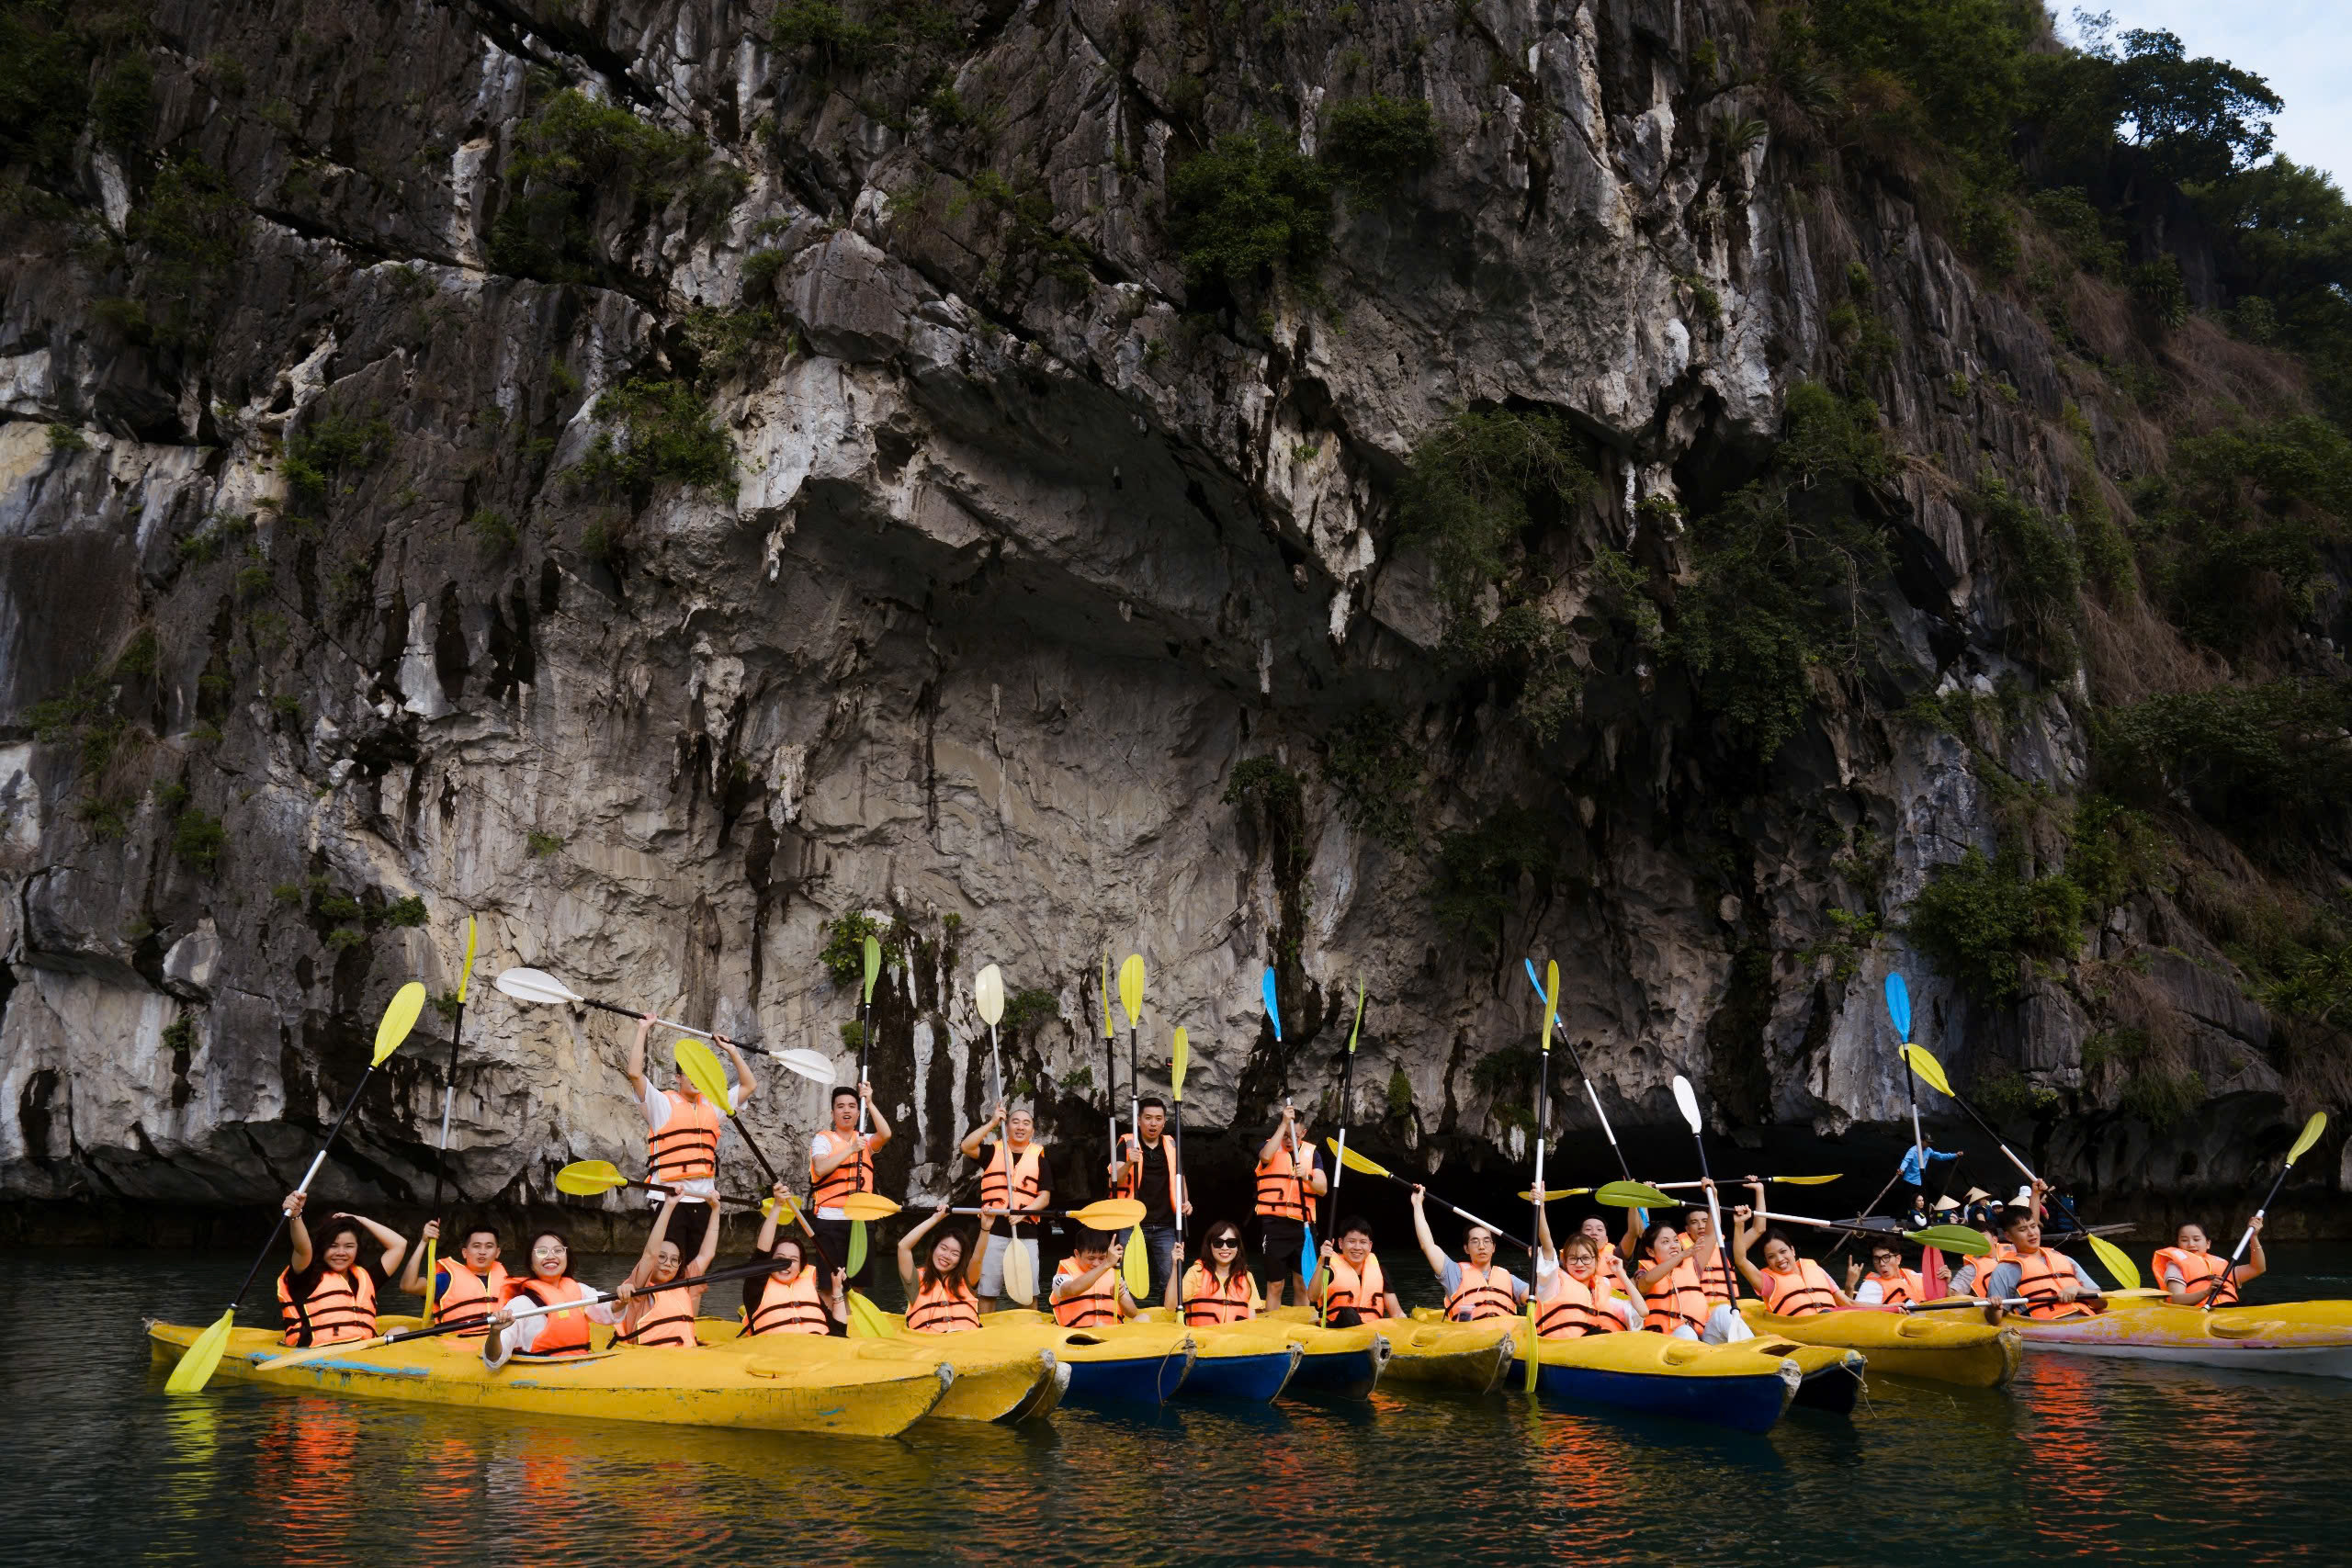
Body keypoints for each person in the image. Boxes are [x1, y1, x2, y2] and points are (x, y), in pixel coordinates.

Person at [625, 1012, 758, 1259]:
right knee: (664, 1268)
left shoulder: (715, 1105)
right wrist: (643, 1029)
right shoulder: (661, 1104)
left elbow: (749, 1085)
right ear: (678, 1077)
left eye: (700, 1074)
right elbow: (634, 1074)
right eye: (689, 1073)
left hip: (703, 1200)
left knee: (695, 1271)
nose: (696, 1079)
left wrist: (732, 1051)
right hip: (669, 1199)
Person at [276, 1192, 407, 1346]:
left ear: (357, 1249)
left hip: (364, 1351)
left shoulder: (365, 1278)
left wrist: (358, 1219)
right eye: (333, 1246)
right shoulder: (307, 1275)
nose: (341, 1253)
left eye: (349, 1246)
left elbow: (399, 1245)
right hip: (317, 1351)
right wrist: (296, 1216)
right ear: (322, 1248)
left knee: (401, 1331)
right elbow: (302, 1248)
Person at [959, 1101, 1052, 1308]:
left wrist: (1024, 1212)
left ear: (1032, 1130)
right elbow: (966, 1146)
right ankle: (986, 1334)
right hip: (993, 1229)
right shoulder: (993, 1151)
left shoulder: (1039, 1158)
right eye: (1015, 1122)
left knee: (1029, 1293)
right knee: (987, 1290)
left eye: (1026, 1123)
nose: (1020, 1127)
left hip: (1026, 1229)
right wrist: (992, 1122)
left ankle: (1028, 1331)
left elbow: (1044, 1197)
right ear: (1007, 1126)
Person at [1974, 1183, 2107, 1320]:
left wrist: (2079, 1290)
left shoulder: (2066, 1260)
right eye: (2022, 1230)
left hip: (2088, 1320)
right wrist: (1993, 1307)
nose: (2031, 1233)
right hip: (2047, 1329)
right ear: (2008, 1236)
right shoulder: (2004, 1270)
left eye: (2033, 1226)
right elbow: (1994, 1320)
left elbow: (2102, 1303)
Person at [608, 1191, 720, 1347]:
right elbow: (649, 1254)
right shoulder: (640, 1288)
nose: (668, 1263)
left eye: (675, 1260)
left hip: (685, 1359)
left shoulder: (683, 1283)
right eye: (661, 1257)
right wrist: (669, 1205)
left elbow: (707, 1254)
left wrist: (715, 1209)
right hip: (652, 1360)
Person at [809, 1079, 892, 1287]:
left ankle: (853, 1319)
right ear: (832, 1114)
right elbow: (820, 1168)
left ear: (858, 1113)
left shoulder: (865, 1140)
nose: (846, 1111)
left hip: (861, 1218)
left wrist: (870, 1103)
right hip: (829, 1219)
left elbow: (886, 1134)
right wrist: (850, 1149)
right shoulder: (823, 1139)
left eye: (852, 1106)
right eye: (840, 1106)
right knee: (830, 1285)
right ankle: (833, 1319)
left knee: (859, 1284)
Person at [1408, 1186, 1529, 1322]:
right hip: (1470, 1336)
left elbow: (1539, 1298)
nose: (1481, 1246)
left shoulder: (1509, 1279)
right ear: (1466, 1248)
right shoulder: (1453, 1273)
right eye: (1475, 1241)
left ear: (1494, 1247)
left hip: (1506, 1337)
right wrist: (1418, 1204)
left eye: (1486, 1241)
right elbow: (1428, 1245)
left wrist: (1542, 1262)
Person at [742, 1181, 847, 1335]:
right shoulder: (755, 1289)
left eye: (793, 1260)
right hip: (778, 1353)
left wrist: (837, 1290)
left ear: (801, 1268)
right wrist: (777, 1206)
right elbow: (762, 1252)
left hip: (818, 1351)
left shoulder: (810, 1294)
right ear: (769, 1263)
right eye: (780, 1258)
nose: (786, 1264)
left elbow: (839, 1331)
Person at [484, 1229, 607, 1359]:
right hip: (542, 1372)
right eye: (542, 1252)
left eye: (558, 1250)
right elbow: (494, 1359)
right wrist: (495, 1333)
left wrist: (622, 1298)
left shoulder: (580, 1291)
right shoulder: (520, 1305)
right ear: (531, 1264)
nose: (550, 1256)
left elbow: (610, 1309)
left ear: (567, 1257)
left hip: (581, 1362)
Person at [1114, 1095, 1190, 1303]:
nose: (1153, 1123)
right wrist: (1130, 1163)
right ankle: (1125, 1317)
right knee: (1124, 1278)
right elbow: (1115, 1180)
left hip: (1165, 1224)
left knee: (1170, 1276)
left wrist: (1186, 1200)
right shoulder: (1127, 1144)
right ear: (1139, 1120)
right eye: (1148, 1118)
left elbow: (1180, 1176)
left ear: (1164, 1122)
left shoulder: (1172, 1144)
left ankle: (1172, 1318)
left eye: (1158, 1118)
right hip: (1131, 1223)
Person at [1733, 1193, 1853, 1317]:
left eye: (1783, 1251)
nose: (1779, 1259)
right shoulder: (1768, 1283)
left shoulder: (1816, 1269)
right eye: (1771, 1256)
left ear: (1793, 1251)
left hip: (1832, 1319)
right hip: (1802, 1329)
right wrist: (1739, 1224)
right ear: (1767, 1261)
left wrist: (1875, 1309)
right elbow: (1740, 1260)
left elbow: (1848, 1303)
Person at [1252, 1104, 1327, 1306]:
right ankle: (1274, 1326)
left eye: (1293, 1135)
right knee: (1275, 1284)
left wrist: (1308, 1176)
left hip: (1303, 1227)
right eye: (1285, 1134)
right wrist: (1284, 1123)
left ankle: (1300, 1329)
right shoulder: (1269, 1146)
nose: (1288, 1139)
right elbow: (1265, 1157)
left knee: (1302, 1283)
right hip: (1274, 1224)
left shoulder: (1313, 1155)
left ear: (1303, 1133)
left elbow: (1322, 1188)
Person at [1632, 1216, 1747, 1341]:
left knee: (1724, 1311)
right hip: (1667, 1341)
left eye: (1676, 1241)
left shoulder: (1692, 1265)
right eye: (1666, 1242)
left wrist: (1714, 1197)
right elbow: (1646, 1282)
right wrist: (1682, 1254)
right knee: (1686, 1331)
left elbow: (1711, 1235)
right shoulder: (1643, 1272)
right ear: (1650, 1251)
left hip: (1702, 1336)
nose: (1673, 1245)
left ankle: (1750, 1350)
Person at [1530, 1207, 1638, 1337]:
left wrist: (1621, 1274)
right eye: (1588, 1229)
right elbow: (1547, 1246)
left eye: (1599, 1229)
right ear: (1565, 1261)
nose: (1579, 1264)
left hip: (1601, 1342)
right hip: (1564, 1348)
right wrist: (1540, 1207)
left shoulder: (1603, 1288)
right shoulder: (1556, 1280)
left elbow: (1641, 1311)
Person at [398, 1218, 508, 1336]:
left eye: (489, 1246)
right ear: (464, 1252)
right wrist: (423, 1242)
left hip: (497, 1344)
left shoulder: (508, 1284)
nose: (482, 1251)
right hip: (456, 1346)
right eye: (476, 1246)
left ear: (497, 1252)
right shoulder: (446, 1280)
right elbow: (408, 1286)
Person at [898, 1203, 985, 1334]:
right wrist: (935, 1218)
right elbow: (903, 1246)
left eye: (955, 1254)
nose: (946, 1256)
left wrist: (986, 1228)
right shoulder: (915, 1281)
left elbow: (977, 1257)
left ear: (961, 1260)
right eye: (943, 1248)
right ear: (933, 1249)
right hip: (932, 1347)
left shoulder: (967, 1281)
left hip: (968, 1343)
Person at [1307, 1216, 1403, 1327]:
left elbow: (1396, 1312)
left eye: (1363, 1242)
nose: (1357, 1247)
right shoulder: (1329, 1267)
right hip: (1337, 1329)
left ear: (1370, 1246)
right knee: (1347, 1314)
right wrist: (1322, 1263)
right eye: (1352, 1241)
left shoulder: (1380, 1272)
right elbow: (1313, 1297)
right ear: (1341, 1243)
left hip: (1372, 1331)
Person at [1167, 1220, 1261, 1325]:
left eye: (1231, 1243)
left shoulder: (1247, 1277)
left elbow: (1252, 1319)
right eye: (1218, 1243)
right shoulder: (1196, 1273)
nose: (1225, 1248)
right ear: (1210, 1246)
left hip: (1234, 1339)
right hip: (1201, 1339)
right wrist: (1175, 1267)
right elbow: (1170, 1305)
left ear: (1238, 1247)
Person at [2154, 1218, 2265, 1307]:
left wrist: (2253, 1237)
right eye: (2184, 1240)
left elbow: (2257, 1268)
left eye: (2196, 1239)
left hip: (2231, 1309)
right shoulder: (2176, 1267)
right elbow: (2176, 1300)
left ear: (2208, 1244)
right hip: (2202, 1313)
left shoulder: (2223, 1266)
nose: (2191, 1244)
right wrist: (2206, 1292)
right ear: (2178, 1244)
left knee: (2257, 1303)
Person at [1052, 1226, 1139, 1328]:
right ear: (1077, 1254)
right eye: (1091, 1258)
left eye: (1102, 1258)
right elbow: (1072, 1289)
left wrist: (1120, 1297)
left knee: (1142, 1318)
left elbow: (1133, 1313)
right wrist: (1106, 1264)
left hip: (1114, 1333)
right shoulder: (1063, 1275)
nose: (1096, 1263)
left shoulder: (1114, 1275)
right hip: (1080, 1335)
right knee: (1099, 1325)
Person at [1847, 1238, 1927, 1307]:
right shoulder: (1872, 1286)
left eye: (1886, 1257)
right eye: (1876, 1259)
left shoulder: (1915, 1275)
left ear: (1898, 1259)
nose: (1881, 1264)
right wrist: (1849, 1286)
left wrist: (1939, 1273)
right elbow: (1856, 1313)